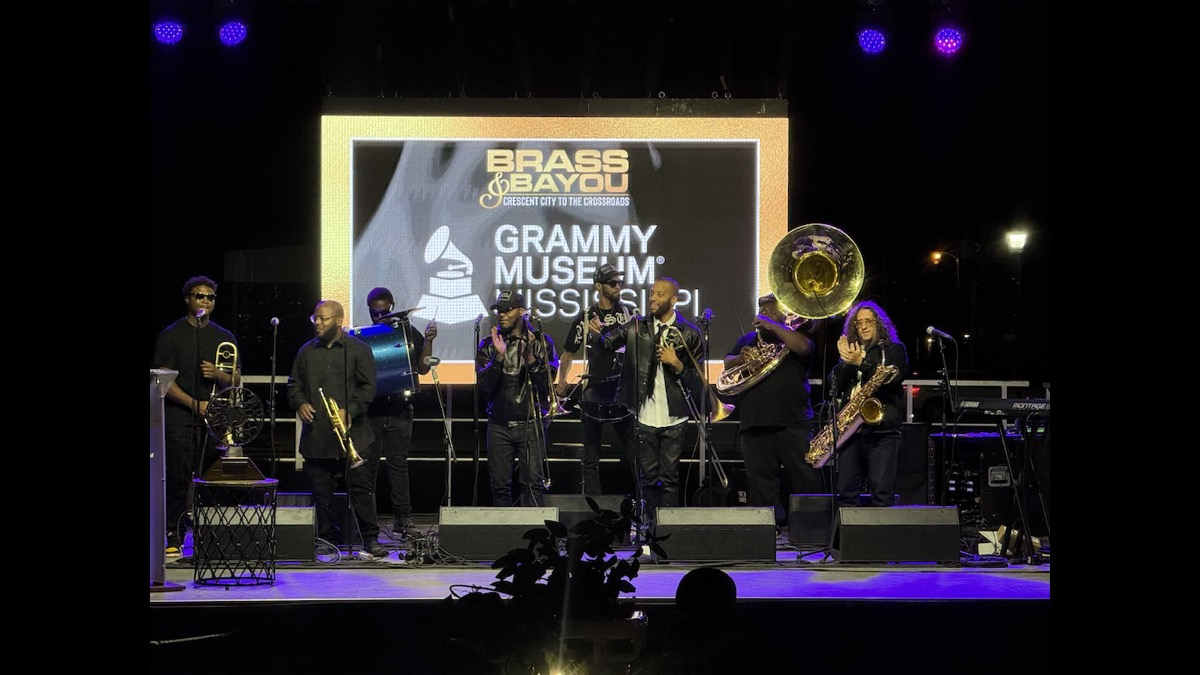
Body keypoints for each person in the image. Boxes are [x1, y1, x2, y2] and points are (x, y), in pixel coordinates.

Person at [599, 277, 704, 538]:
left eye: (659, 294)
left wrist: (677, 363)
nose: (653, 299)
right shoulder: (637, 326)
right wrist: (598, 333)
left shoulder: (689, 332)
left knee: (670, 479)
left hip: (674, 417)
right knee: (647, 478)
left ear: (674, 299)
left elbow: (698, 380)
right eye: (651, 293)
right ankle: (648, 532)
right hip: (644, 414)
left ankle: (668, 534)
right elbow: (609, 341)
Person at [287, 300, 384, 556]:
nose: (318, 323)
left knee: (362, 490)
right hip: (318, 436)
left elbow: (369, 387)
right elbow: (293, 385)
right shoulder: (306, 351)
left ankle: (370, 540)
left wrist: (349, 411)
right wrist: (300, 403)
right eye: (315, 318)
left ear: (339, 320)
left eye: (323, 319)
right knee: (322, 494)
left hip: (355, 435)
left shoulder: (358, 349)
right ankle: (326, 539)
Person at [724, 293, 824, 533]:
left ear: (782, 314)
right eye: (761, 310)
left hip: (793, 421)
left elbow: (804, 348)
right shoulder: (749, 339)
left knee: (803, 477)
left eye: (770, 310)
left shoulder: (794, 335)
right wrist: (741, 358)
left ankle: (809, 530)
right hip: (755, 422)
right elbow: (728, 361)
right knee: (761, 482)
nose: (763, 314)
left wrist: (773, 326)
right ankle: (769, 531)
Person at [153, 276, 238, 555]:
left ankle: (208, 537)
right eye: (199, 296)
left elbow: (236, 379)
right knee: (178, 478)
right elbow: (163, 381)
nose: (205, 301)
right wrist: (194, 404)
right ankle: (174, 535)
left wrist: (219, 374)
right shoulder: (171, 335)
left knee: (211, 479)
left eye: (210, 297)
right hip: (180, 418)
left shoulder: (224, 337)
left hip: (215, 420)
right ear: (188, 299)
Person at [555, 263, 636, 495]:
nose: (618, 286)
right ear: (599, 286)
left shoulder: (629, 313)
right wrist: (562, 382)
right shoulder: (586, 317)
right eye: (612, 283)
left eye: (620, 282)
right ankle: (591, 504)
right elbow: (568, 352)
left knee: (633, 453)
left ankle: (641, 502)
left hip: (622, 390)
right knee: (590, 456)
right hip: (595, 390)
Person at [363, 287, 437, 541]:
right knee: (368, 468)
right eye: (375, 313)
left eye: (384, 312)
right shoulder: (364, 337)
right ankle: (366, 525)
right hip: (371, 412)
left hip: (399, 410)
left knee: (398, 466)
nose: (380, 317)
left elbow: (423, 369)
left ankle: (403, 522)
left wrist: (428, 341)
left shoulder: (406, 331)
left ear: (392, 307)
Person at [476, 290, 559, 507]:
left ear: (521, 311)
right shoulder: (488, 344)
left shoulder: (541, 342)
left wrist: (531, 359)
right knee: (499, 485)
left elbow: (547, 386)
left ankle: (533, 527)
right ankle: (503, 529)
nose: (502, 315)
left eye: (507, 310)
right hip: (499, 424)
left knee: (532, 485)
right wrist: (498, 358)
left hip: (530, 424)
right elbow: (484, 387)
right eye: (499, 311)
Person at [827, 300, 909, 507]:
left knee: (881, 494)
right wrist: (844, 363)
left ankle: (880, 530)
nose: (863, 326)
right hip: (851, 431)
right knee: (846, 493)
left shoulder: (894, 349)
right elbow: (834, 385)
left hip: (883, 431)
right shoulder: (851, 351)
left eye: (868, 322)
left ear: (879, 324)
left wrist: (861, 363)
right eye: (858, 322)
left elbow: (891, 379)